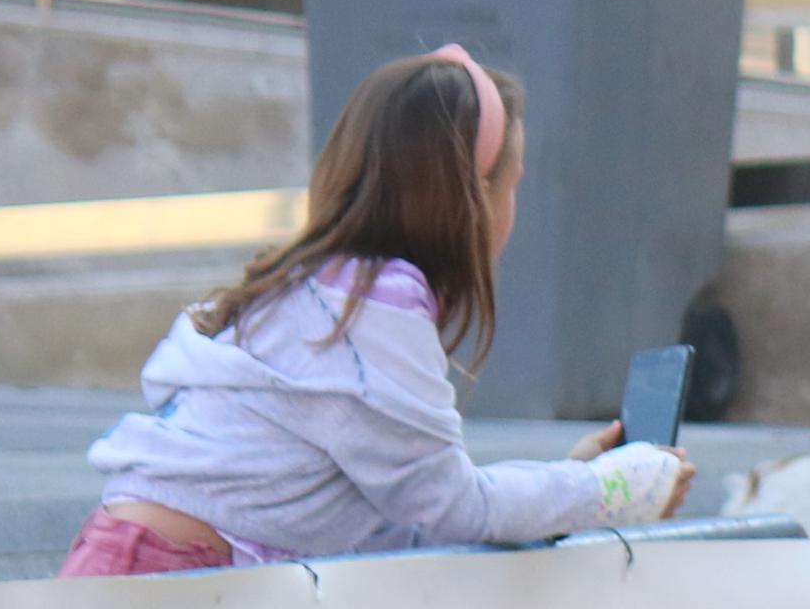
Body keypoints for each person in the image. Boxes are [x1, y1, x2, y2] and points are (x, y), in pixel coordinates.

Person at [71, 48, 689, 572]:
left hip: (136, 560)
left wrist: (566, 480)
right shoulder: (373, 311)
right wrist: (612, 490)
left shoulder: (317, 290)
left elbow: (404, 509)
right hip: (169, 577)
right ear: (472, 198)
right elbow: (454, 508)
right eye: (514, 182)